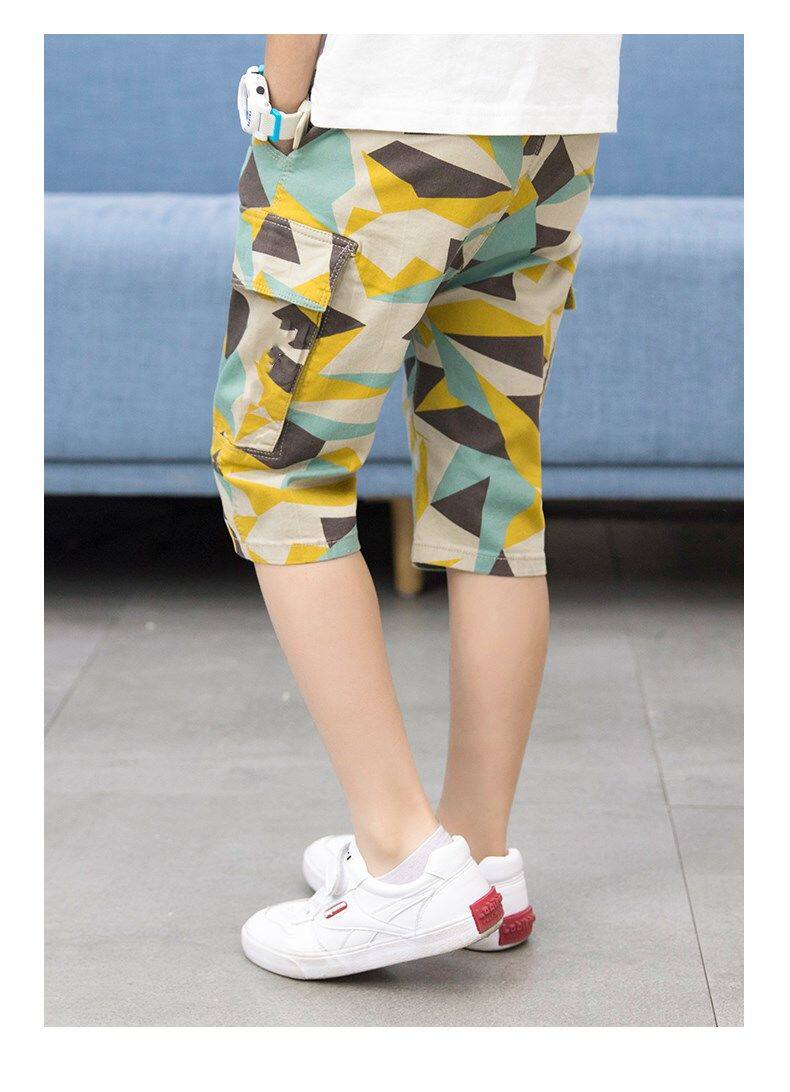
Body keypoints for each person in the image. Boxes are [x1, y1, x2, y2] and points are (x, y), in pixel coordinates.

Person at [212, 33, 621, 980]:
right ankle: (478, 861)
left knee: (279, 468)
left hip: (388, 114)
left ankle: (401, 860)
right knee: (491, 475)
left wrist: (283, 103)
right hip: (552, 127)